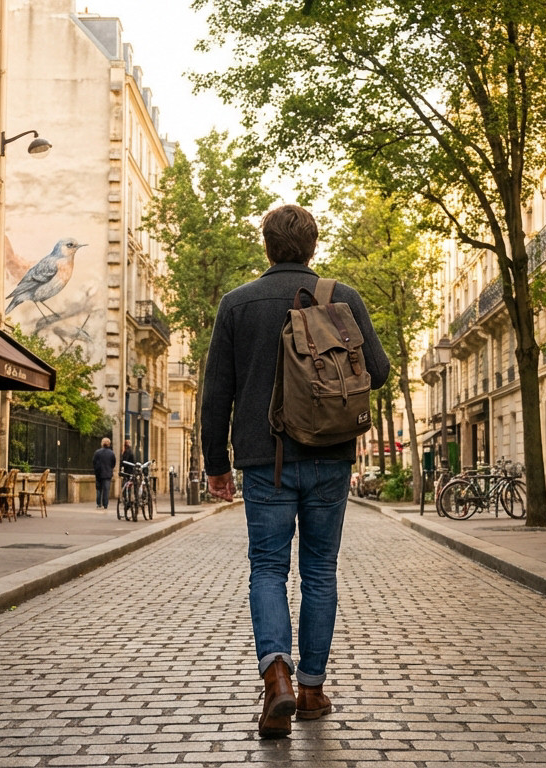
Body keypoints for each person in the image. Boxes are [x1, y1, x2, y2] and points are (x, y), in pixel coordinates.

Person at [202, 204, 390, 739]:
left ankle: (276, 677)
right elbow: (378, 371)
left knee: (267, 569)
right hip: (330, 455)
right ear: (313, 246)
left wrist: (217, 464)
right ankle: (310, 690)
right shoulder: (342, 297)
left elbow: (216, 393)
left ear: (266, 246)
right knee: (320, 571)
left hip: (265, 459)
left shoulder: (236, 304)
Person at [92, 437, 116, 509]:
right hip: (107, 474)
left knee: (99, 489)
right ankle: (105, 504)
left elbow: (94, 462)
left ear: (102, 443)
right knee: (106, 490)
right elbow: (113, 463)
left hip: (99, 473)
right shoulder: (111, 453)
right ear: (109, 444)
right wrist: (110, 469)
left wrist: (96, 469)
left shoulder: (97, 452)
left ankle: (98, 503)